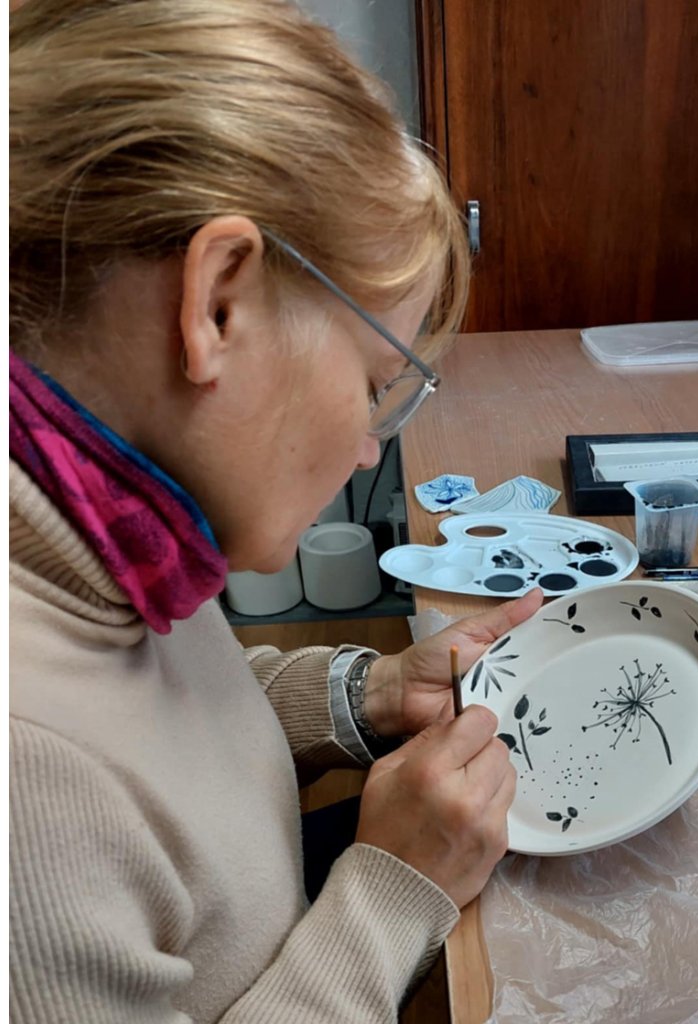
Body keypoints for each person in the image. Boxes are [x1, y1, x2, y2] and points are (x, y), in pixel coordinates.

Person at [8, 1, 544, 1020]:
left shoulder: (99, 529)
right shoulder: (24, 788)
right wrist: (392, 895)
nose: (369, 446)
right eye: (375, 380)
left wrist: (370, 694)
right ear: (218, 302)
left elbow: (164, 718)